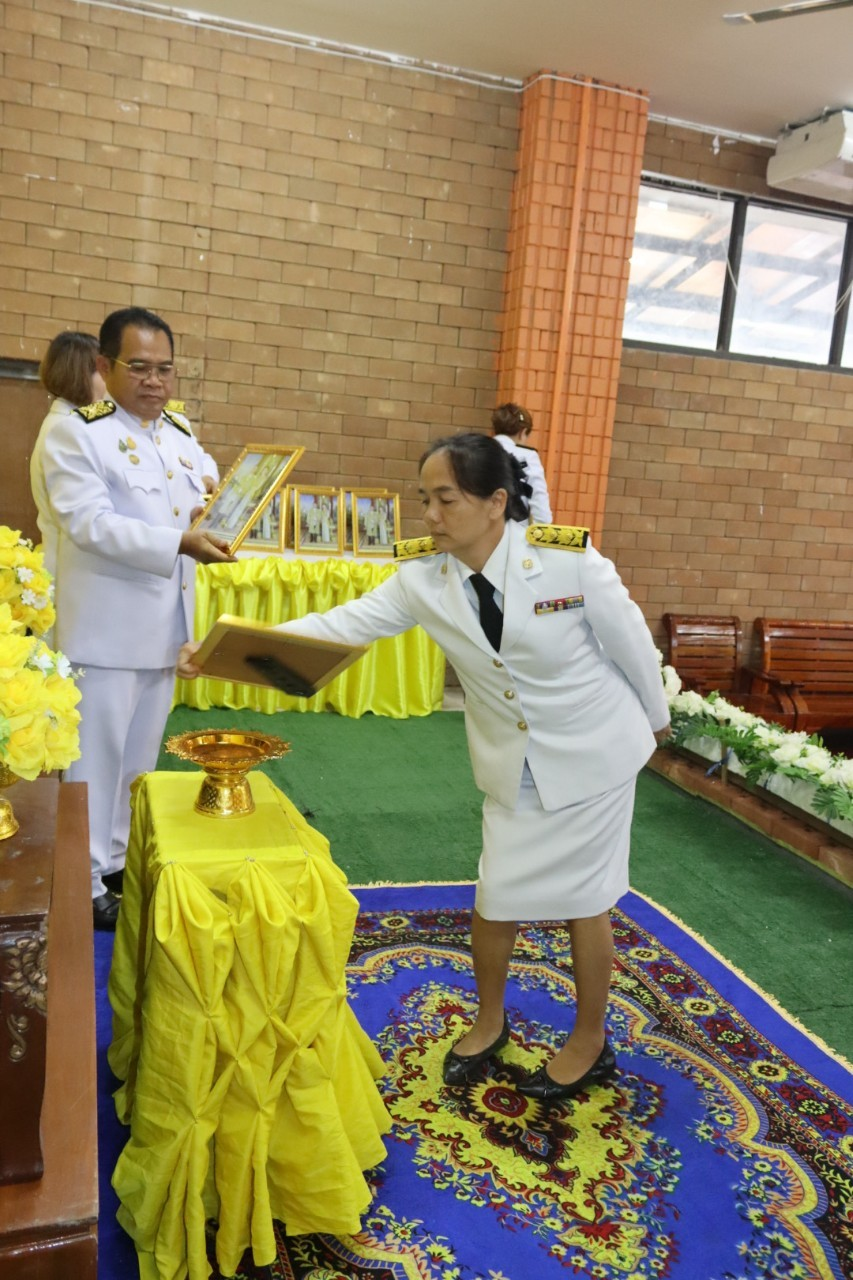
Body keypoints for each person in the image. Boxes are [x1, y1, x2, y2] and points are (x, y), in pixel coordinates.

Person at [178, 432, 671, 1101]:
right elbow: (342, 625)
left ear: (495, 502)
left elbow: (632, 644)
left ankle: (589, 1041)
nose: (430, 515)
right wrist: (225, 647)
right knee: (497, 894)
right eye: (425, 499)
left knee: (586, 900)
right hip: (512, 760)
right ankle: (489, 1021)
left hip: (592, 753)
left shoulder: (566, 562)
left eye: (446, 499)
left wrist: (654, 718)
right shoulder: (421, 578)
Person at [41, 306, 235, 930]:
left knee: (138, 763)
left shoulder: (177, 433)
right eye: (140, 367)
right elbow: (89, 523)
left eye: (166, 369)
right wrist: (179, 542)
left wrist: (223, 507)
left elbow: (209, 491)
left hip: (164, 630)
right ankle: (83, 876)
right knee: (94, 761)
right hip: (103, 632)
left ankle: (119, 863)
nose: (155, 381)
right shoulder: (80, 433)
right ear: (104, 367)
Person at [30, 332, 107, 577]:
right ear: (80, 375)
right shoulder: (66, 429)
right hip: (69, 570)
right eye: (101, 372)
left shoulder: (73, 423)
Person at [491, 402, 553, 524]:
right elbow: (539, 504)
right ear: (522, 432)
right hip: (512, 530)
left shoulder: (475, 450)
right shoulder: (527, 456)